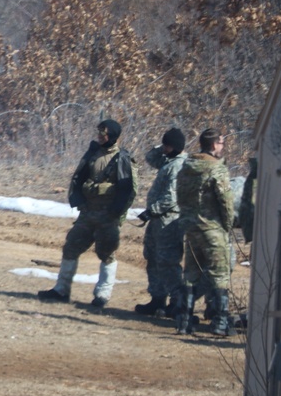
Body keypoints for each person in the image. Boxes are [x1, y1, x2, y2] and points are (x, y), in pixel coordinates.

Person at [38, 119, 136, 308]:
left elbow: (128, 190)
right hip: (88, 213)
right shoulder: (93, 153)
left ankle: (102, 295)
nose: (99, 137)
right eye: (99, 133)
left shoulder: (122, 158)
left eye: (104, 134)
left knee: (107, 254)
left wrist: (116, 213)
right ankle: (61, 290)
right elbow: (80, 177)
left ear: (113, 137)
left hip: (108, 216)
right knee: (71, 248)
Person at [175, 129, 234, 337]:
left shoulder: (187, 167)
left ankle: (184, 320)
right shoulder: (216, 169)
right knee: (220, 274)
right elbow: (226, 201)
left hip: (191, 228)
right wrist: (227, 225)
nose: (222, 147)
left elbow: (180, 196)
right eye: (221, 144)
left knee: (190, 274)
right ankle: (220, 321)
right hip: (212, 228)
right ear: (213, 146)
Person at [135, 128, 188, 317]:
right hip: (158, 221)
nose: (163, 149)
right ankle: (157, 299)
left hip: (170, 221)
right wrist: (163, 146)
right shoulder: (168, 161)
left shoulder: (179, 166)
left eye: (167, 146)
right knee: (153, 258)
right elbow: (150, 158)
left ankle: (177, 302)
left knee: (168, 261)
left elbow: (171, 197)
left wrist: (151, 211)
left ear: (175, 147)